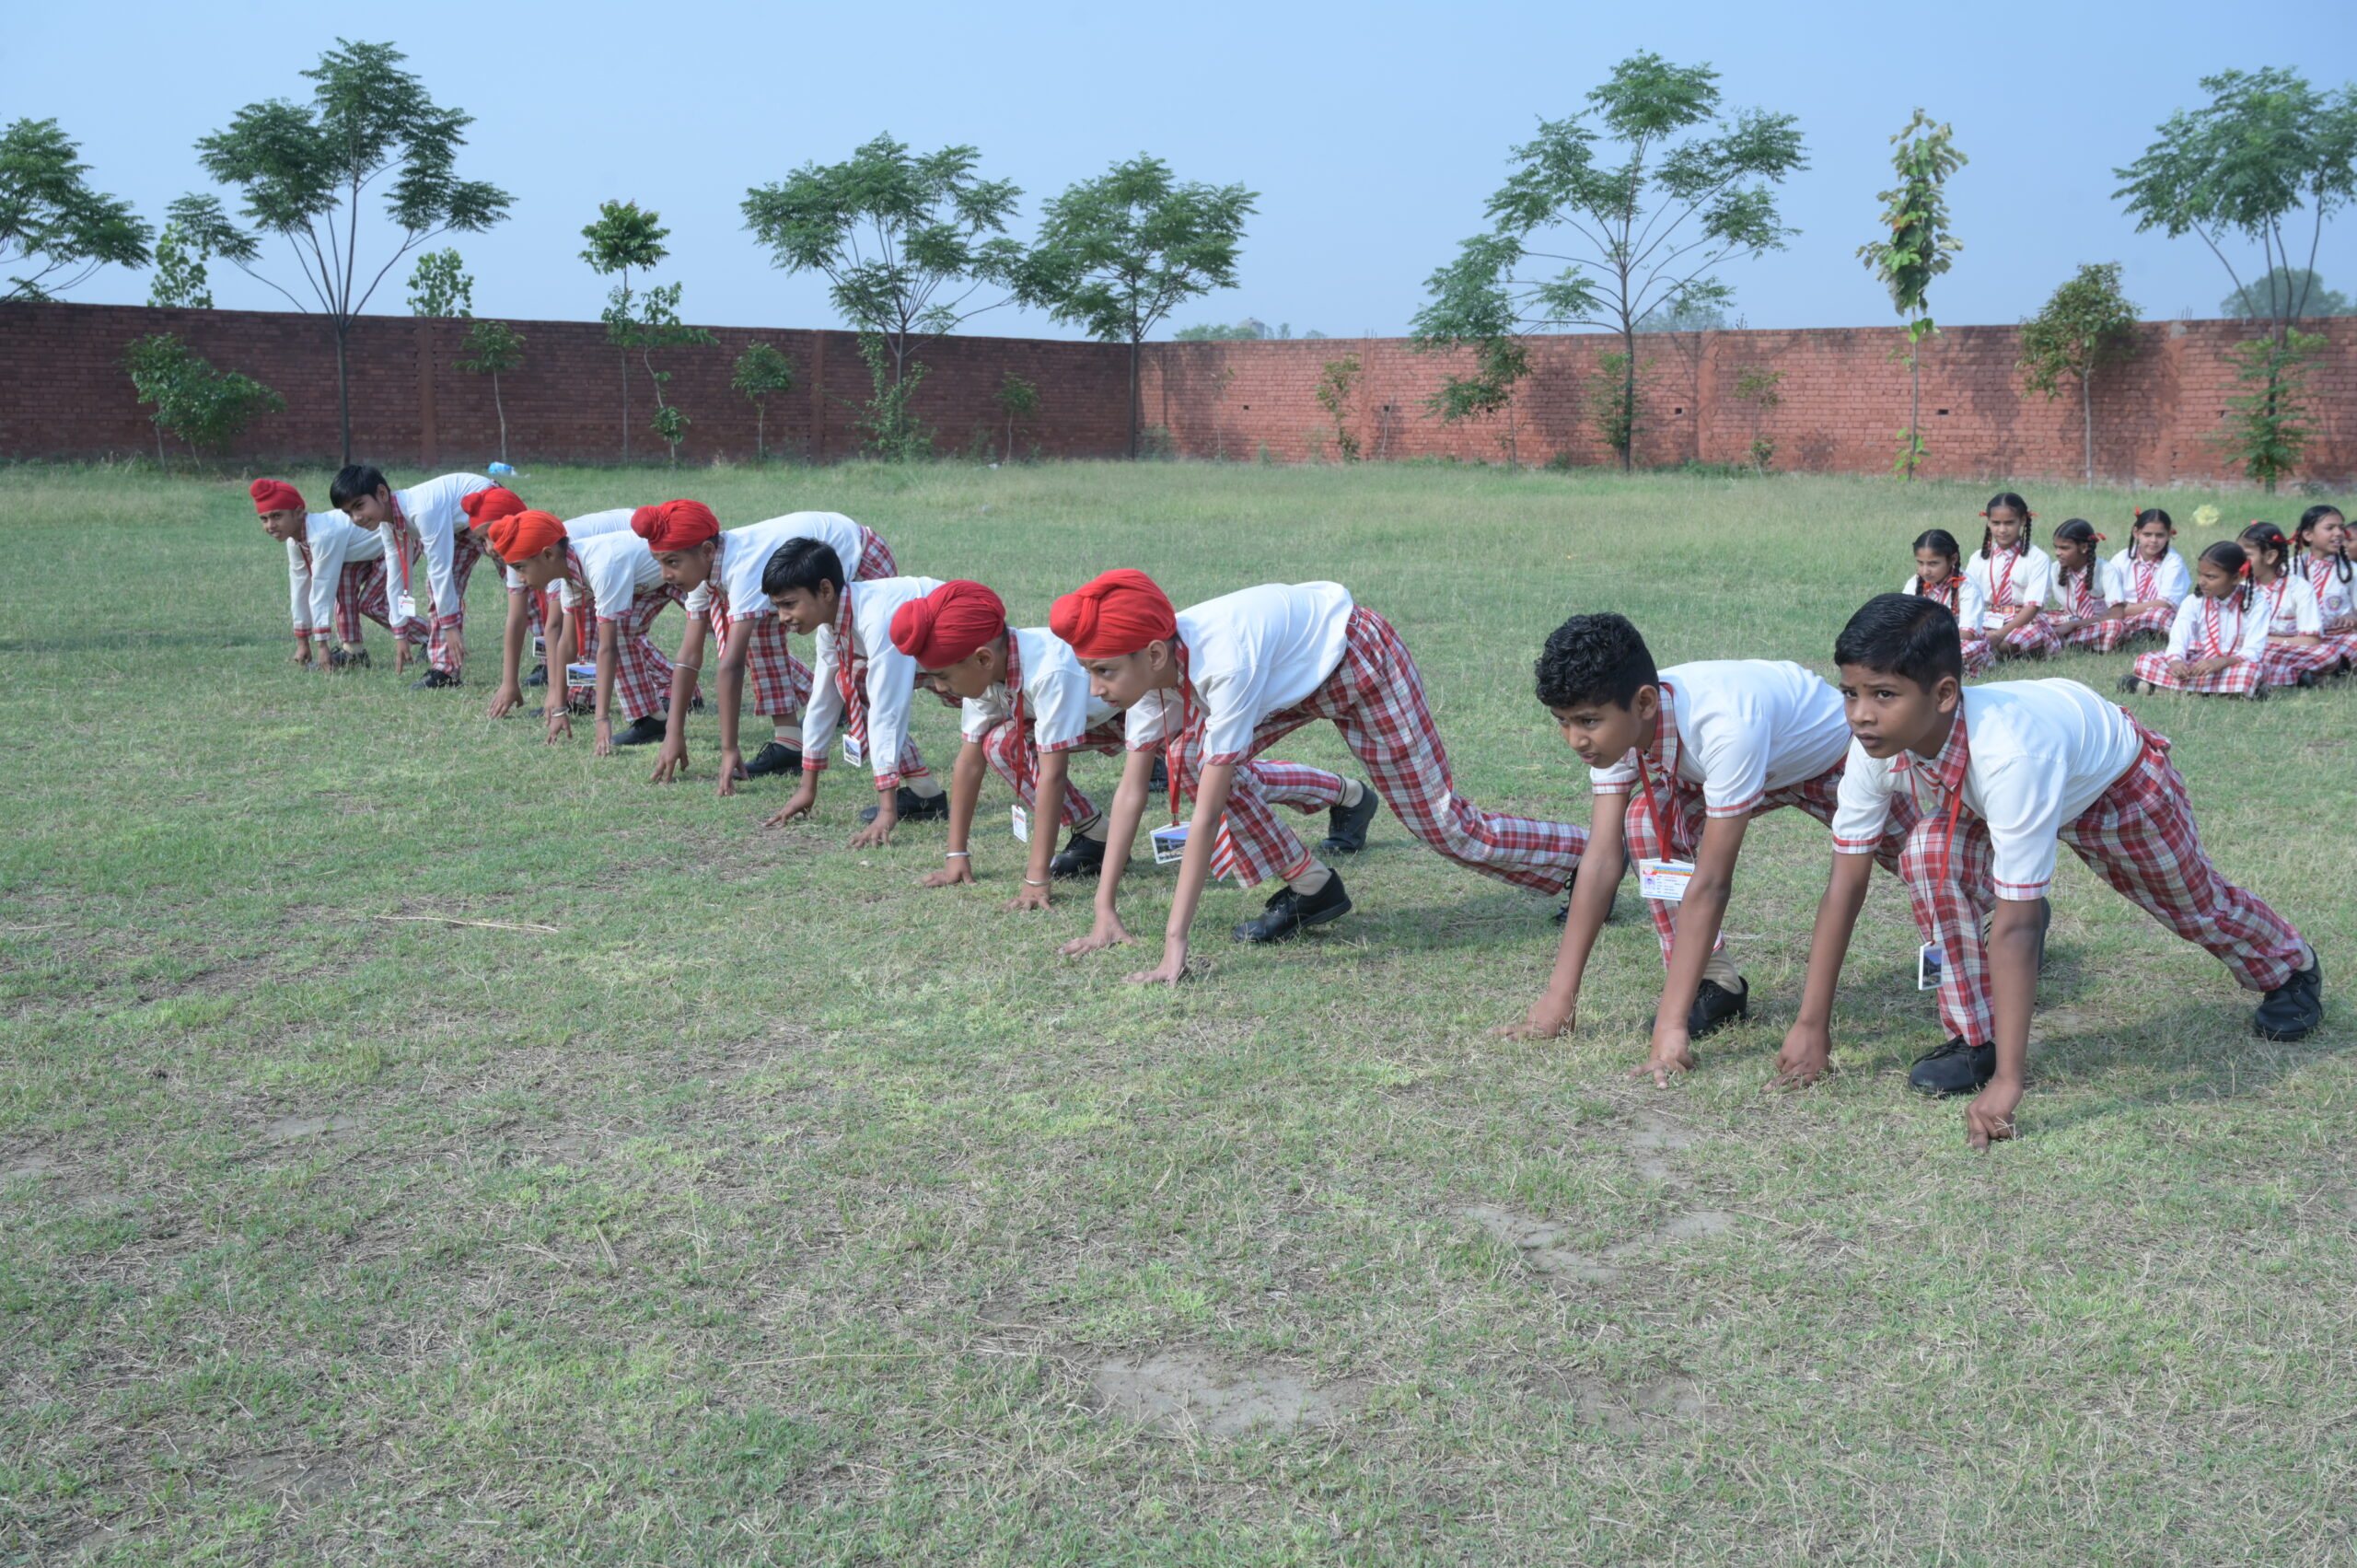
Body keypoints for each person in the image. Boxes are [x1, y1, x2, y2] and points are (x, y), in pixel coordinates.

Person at [1776, 594, 2320, 1149]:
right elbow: (1846, 883)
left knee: (2193, 907)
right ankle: (1976, 1038)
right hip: (2001, 794)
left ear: (1943, 694)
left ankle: (2289, 967)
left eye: (1883, 694)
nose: (1861, 714)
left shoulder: (2012, 753)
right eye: (1851, 693)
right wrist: (1811, 1024)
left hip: (2114, 785)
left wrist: (2010, 1085)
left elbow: (2018, 926)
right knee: (1927, 854)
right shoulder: (1877, 744)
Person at [1049, 571, 1585, 982]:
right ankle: (1313, 887)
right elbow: (1131, 792)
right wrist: (1104, 910)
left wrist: (1175, 947)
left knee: (1445, 827)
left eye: (1103, 670)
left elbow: (1207, 814)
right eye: (1088, 670)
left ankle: (1586, 857)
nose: (1095, 689)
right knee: (1189, 757)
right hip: (1288, 679)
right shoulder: (1153, 674)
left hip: (1359, 661)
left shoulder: (1224, 664)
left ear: (1154, 654)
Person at [1499, 614, 1910, 1082]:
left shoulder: (1722, 725)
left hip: (1832, 756)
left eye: (1588, 721)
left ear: (1645, 703)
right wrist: (1560, 998)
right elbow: (1600, 860)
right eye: (1563, 722)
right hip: (1743, 763)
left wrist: (1668, 1030)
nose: (1575, 739)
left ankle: (1971, 972)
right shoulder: (1617, 731)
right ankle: (1716, 983)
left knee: (1924, 862)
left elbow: (1712, 883)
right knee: (1645, 823)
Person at [891, 579, 1363, 907]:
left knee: (1210, 769)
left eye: (942, 676)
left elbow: (1053, 774)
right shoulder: (984, 678)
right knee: (1000, 744)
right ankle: (1093, 835)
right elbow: (969, 761)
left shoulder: (1049, 673)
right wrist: (956, 855)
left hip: (1131, 701)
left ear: (980, 659)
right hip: (1100, 715)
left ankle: (1344, 794)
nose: (939, 688)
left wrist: (1037, 878)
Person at [639, 505, 902, 794]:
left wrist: (729, 749)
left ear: (707, 551)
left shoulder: (742, 567)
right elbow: (689, 657)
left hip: (860, 554)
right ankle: (789, 743)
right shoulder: (706, 573)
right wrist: (673, 732)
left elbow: (731, 665)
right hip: (811, 564)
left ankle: (897, 763)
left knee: (867, 667)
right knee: (758, 633)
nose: (665, 574)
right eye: (659, 563)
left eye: (672, 562)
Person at [754, 540, 952, 845]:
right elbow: (822, 701)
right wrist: (807, 788)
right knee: (849, 679)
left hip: (967, 653)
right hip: (937, 658)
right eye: (778, 607)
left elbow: (888, 708)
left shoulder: (878, 618)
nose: (782, 617)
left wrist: (887, 811)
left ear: (825, 590)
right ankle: (925, 794)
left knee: (1000, 720)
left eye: (789, 604)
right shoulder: (830, 625)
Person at [486, 508, 684, 752]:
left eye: (521, 567)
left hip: (684, 568)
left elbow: (607, 649)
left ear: (548, 554)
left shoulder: (601, 566)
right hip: (651, 582)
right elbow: (567, 643)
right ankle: (652, 720)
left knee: (719, 632)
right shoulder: (571, 573)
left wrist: (601, 719)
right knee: (621, 631)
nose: (520, 578)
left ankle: (684, 696)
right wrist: (559, 708)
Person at [467, 490, 638, 719]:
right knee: (596, 628)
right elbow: (516, 618)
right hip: (610, 560)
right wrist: (509, 683)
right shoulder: (516, 552)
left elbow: (556, 626)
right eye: (483, 540)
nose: (490, 547)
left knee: (610, 629)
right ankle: (579, 697)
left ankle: (579, 697)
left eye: (491, 535)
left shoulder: (549, 552)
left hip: (632, 540)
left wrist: (555, 696)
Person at [329, 465, 493, 688]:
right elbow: (396, 578)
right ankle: (445, 672)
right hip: (458, 526)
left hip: (488, 506)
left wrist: (450, 626)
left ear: (382, 493)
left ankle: (542, 661)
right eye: (348, 513)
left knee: (522, 582)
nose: (356, 518)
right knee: (437, 590)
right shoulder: (389, 525)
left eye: (359, 506)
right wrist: (400, 634)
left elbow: (439, 567)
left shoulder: (421, 510)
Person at [251, 477, 412, 670]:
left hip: (397, 541)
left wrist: (322, 646)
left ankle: (430, 636)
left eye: (277, 516)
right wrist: (302, 642)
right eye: (264, 519)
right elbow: (300, 588)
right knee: (343, 584)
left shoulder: (322, 535)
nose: (270, 525)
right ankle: (354, 652)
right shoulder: (294, 541)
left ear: (299, 512)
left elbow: (322, 586)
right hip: (367, 553)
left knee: (371, 604)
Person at [2124, 541, 2272, 698]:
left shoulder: (2256, 603)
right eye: (2200, 574)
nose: (2202, 581)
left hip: (2232, 663)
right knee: (2146, 660)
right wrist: (2176, 662)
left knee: (2251, 671)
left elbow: (2253, 651)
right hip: (2197, 662)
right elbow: (2178, 641)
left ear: (2236, 578)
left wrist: (2220, 662)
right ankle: (2222, 693)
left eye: (2211, 577)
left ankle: (2160, 690)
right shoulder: (2193, 602)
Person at [2239, 521, 2339, 689]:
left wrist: (2266, 641)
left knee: (2328, 653)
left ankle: (2259, 676)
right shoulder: (2241, 588)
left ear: (2270, 557)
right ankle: (2293, 676)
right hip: (2248, 650)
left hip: (2284, 649)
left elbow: (2311, 640)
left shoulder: (2299, 588)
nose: (2238, 561)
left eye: (2246, 555)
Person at [1962, 492, 2059, 660]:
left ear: (2023, 520)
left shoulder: (2038, 558)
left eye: (2009, 523)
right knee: (1964, 637)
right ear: (1988, 521)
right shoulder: (1978, 558)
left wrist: (1998, 634)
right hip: (1989, 618)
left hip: (2025, 621)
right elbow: (1969, 599)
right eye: (1996, 523)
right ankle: (1984, 649)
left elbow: (2032, 607)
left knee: (2006, 645)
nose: (2002, 530)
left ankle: (2026, 649)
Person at [1903, 528, 1993, 675]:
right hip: (1921, 643)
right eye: (1920, 563)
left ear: (1953, 559)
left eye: (1933, 564)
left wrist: (1930, 643)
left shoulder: (1967, 587)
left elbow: (1968, 634)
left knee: (1965, 650)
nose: (1925, 571)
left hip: (1956, 642)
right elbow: (1904, 623)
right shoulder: (1914, 584)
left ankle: (1922, 666)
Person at [2100, 508, 2190, 644]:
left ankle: (2136, 634)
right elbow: (2107, 590)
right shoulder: (2122, 558)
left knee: (2160, 615)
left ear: (2169, 535)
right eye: (2147, 534)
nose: (2153, 540)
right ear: (2136, 533)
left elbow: (2165, 603)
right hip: (2122, 611)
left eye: (2160, 535)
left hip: (2152, 612)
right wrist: (2117, 610)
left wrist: (2126, 610)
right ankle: (2128, 633)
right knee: (2103, 618)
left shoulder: (2173, 562)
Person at [2043, 518, 2133, 653]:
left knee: (2115, 626)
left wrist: (2074, 625)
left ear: (2084, 548)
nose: (2057, 553)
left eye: (2064, 548)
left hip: (2096, 623)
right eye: (2056, 547)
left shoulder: (2106, 570)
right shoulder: (2055, 569)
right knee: (2037, 620)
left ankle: (2054, 641)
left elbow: (2117, 614)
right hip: (2067, 619)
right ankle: (2074, 642)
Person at [2294, 504, 2357, 668]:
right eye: (2330, 528)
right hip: (2299, 637)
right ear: (2308, 535)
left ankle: (2330, 664)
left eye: (2341, 527)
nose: (2339, 533)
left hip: (2340, 637)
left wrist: (2353, 619)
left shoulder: (2352, 571)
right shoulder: (2291, 567)